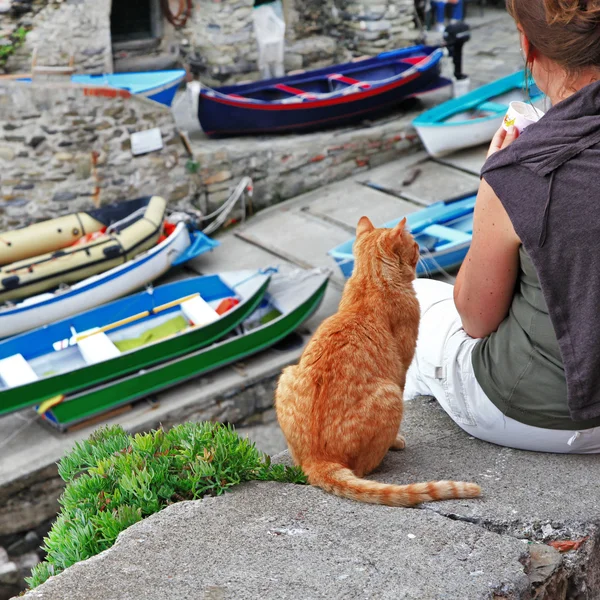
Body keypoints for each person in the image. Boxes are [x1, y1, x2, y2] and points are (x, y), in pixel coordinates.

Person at [404, 0, 600, 453]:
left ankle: (393, 457)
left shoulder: (522, 170)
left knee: (411, 302)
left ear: (527, 44)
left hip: (546, 412)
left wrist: (494, 181)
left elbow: (475, 318)